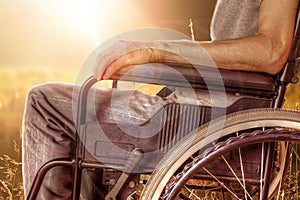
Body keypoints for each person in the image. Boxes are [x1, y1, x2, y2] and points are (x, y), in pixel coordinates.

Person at [22, 0, 299, 199]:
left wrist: (156, 51)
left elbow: (272, 51)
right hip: (199, 107)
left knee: (45, 102)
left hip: (214, 119)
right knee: (80, 119)